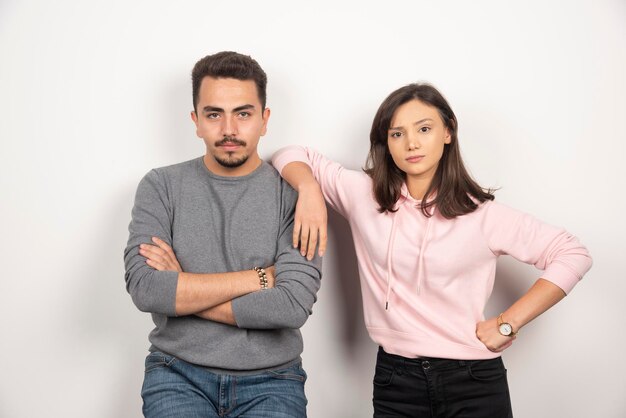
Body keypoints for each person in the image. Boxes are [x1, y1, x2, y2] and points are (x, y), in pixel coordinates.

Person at [272, 83, 592, 417]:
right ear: (386, 144)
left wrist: (508, 323)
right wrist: (308, 189)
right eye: (397, 134)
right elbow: (290, 154)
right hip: (396, 380)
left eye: (424, 129)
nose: (411, 143)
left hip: (474, 380)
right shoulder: (363, 195)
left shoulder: (482, 215)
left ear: (448, 132)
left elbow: (572, 253)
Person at [124, 51, 322, 418]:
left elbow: (292, 305)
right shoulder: (160, 186)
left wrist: (182, 290)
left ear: (264, 120)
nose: (229, 129)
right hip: (176, 372)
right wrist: (261, 278)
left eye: (243, 114)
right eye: (214, 114)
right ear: (196, 121)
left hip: (273, 380)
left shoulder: (295, 197)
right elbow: (147, 289)